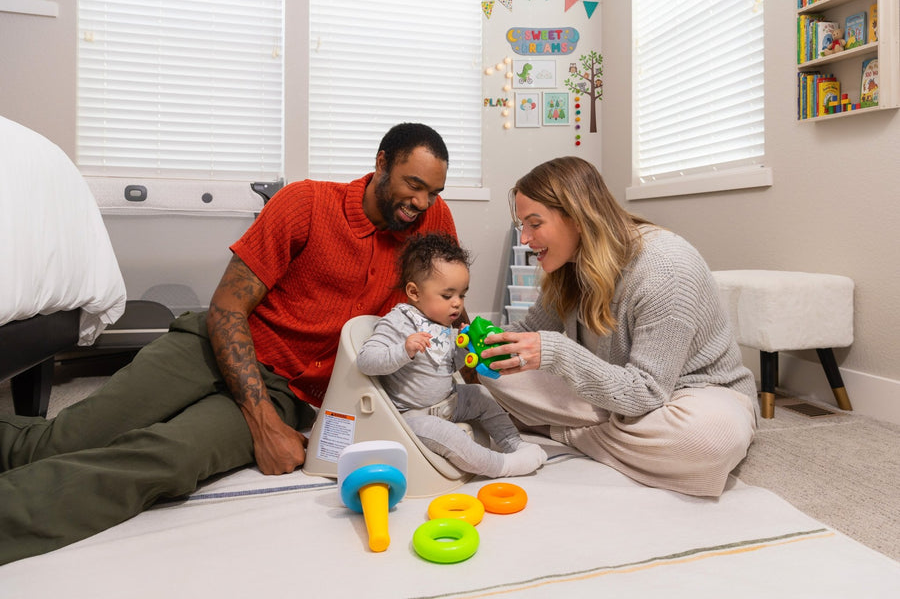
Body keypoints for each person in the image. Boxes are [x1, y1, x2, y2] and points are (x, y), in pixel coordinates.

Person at [0, 123, 459, 565]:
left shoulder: (432, 222)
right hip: (212, 344)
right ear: (381, 163)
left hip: (288, 389)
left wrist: (474, 356)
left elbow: (446, 307)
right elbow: (226, 308)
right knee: (74, 435)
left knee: (171, 458)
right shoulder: (305, 203)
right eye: (412, 185)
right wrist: (260, 423)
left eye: (432, 192)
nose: (420, 202)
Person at [477, 156, 757, 498]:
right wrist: (478, 342)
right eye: (522, 225)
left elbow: (648, 394)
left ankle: (562, 432)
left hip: (691, 394)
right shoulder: (567, 265)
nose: (525, 238)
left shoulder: (665, 268)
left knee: (708, 441)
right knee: (492, 375)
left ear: (577, 217)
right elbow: (528, 330)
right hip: (611, 393)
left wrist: (557, 351)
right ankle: (617, 435)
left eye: (534, 224)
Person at [356, 232, 547, 478]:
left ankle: (514, 443)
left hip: (448, 402)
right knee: (451, 438)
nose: (457, 303)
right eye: (448, 296)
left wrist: (464, 350)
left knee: (481, 394)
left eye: (462, 294)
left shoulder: (442, 322)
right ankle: (501, 466)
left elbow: (446, 367)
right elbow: (366, 360)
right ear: (414, 293)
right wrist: (403, 350)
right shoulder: (398, 322)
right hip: (412, 417)